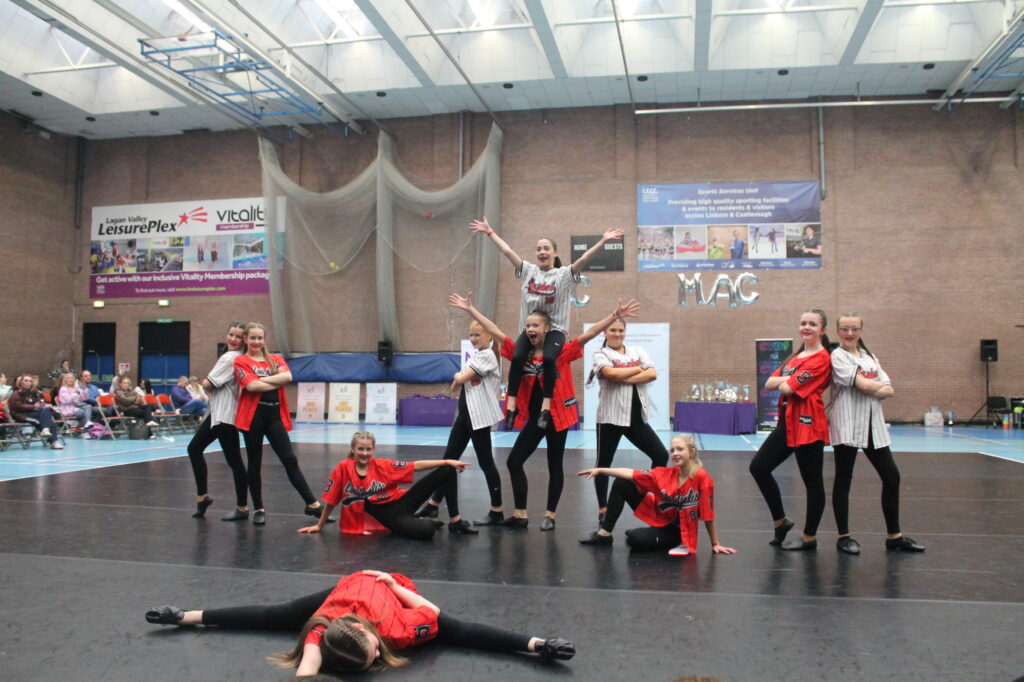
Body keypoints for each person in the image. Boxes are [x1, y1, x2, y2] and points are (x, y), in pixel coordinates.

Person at [144, 569, 574, 676]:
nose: (378, 657)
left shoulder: (400, 630)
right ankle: (185, 617)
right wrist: (539, 645)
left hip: (385, 588)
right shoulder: (325, 628)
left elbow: (440, 616)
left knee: (456, 629)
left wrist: (394, 585)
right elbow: (306, 670)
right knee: (275, 616)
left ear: (368, 635)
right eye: (374, 660)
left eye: (372, 652)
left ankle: (186, 615)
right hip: (346, 595)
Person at [451, 291, 640, 530]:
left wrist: (614, 316)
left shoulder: (560, 353)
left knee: (554, 465)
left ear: (546, 329)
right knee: (514, 461)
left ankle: (550, 514)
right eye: (528, 326)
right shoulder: (521, 353)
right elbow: (495, 331)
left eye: (536, 326)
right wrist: (470, 309)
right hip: (535, 419)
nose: (531, 329)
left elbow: (588, 335)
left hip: (557, 417)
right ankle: (520, 514)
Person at [470, 216, 624, 430]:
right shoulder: (528, 271)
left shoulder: (564, 275)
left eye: (546, 248)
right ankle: (511, 406)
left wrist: (603, 241)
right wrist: (490, 232)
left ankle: (546, 406)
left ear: (555, 253)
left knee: (550, 359)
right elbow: (507, 252)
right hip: (531, 329)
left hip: (555, 331)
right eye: (538, 249)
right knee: (517, 357)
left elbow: (584, 258)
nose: (542, 252)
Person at [829, 314, 924, 554]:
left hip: (873, 425)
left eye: (854, 329)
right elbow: (864, 385)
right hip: (848, 423)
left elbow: (888, 390)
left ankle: (894, 536)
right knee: (843, 478)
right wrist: (874, 386)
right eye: (844, 329)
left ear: (861, 330)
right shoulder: (837, 356)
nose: (849, 333)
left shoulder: (870, 357)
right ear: (838, 331)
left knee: (891, 477)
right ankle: (844, 536)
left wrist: (874, 387)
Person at [748, 309, 832, 551]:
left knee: (812, 482)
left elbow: (786, 388)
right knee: (758, 467)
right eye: (804, 323)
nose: (807, 327)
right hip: (787, 423)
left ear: (822, 330)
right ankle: (781, 521)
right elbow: (769, 383)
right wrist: (790, 379)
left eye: (813, 324)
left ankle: (809, 537)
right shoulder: (795, 357)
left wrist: (787, 381)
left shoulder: (821, 359)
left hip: (808, 424)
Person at [578, 434, 736, 556]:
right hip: (659, 518)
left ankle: (642, 534)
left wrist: (715, 544)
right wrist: (600, 470)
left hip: (675, 533)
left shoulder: (702, 478)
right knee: (621, 483)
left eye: (680, 449)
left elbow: (709, 515)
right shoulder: (665, 473)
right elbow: (631, 473)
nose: (675, 453)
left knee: (636, 539)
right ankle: (605, 534)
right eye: (672, 450)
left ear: (692, 452)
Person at [300, 431, 476, 539]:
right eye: (360, 449)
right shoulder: (343, 468)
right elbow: (332, 500)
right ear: (353, 449)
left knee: (447, 470)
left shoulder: (382, 465)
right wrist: (320, 525)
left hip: (402, 502)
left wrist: (446, 461)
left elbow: (415, 466)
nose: (364, 453)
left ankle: (455, 521)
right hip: (391, 518)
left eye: (368, 449)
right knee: (427, 531)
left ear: (373, 450)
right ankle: (421, 519)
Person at [414, 320, 506, 526]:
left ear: (489, 337)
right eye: (471, 335)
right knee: (449, 460)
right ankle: (433, 505)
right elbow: (455, 386)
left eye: (477, 335)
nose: (473, 339)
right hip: (465, 415)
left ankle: (497, 510)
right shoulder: (476, 356)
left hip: (478, 417)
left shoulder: (487, 355)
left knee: (485, 462)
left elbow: (460, 379)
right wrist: (459, 377)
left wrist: (458, 375)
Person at [234, 322, 324, 526]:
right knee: (254, 463)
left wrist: (261, 380)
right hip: (253, 418)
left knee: (290, 459)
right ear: (246, 339)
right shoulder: (241, 361)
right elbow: (251, 386)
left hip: (274, 416)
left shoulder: (275, 359)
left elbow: (288, 376)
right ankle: (259, 509)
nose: (256, 341)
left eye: (260, 338)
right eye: (253, 338)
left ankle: (312, 504)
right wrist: (273, 379)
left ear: (264, 339)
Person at [585, 318, 668, 524]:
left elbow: (652, 374)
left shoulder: (637, 351)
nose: (617, 334)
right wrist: (637, 370)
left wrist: (624, 377)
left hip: (636, 419)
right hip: (610, 419)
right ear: (605, 332)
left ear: (625, 332)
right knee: (603, 464)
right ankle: (603, 508)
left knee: (661, 455)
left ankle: (648, 496)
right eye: (612, 330)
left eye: (620, 330)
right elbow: (610, 373)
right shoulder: (601, 354)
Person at [185, 323, 250, 521]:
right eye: (231, 334)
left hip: (224, 415)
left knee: (235, 462)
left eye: (238, 336)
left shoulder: (229, 358)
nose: (233, 339)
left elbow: (208, 384)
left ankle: (242, 507)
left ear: (243, 340)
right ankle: (202, 497)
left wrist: (205, 383)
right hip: (219, 414)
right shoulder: (240, 357)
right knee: (194, 449)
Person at [7, 374, 63, 449]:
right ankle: (53, 440)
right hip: (21, 415)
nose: (28, 383)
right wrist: (33, 406)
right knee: (44, 421)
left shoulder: (33, 392)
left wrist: (40, 404)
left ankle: (48, 434)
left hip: (33, 412)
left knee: (46, 411)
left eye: (30, 381)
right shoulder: (16, 393)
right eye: (26, 381)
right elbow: (17, 407)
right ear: (21, 382)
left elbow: (38, 403)